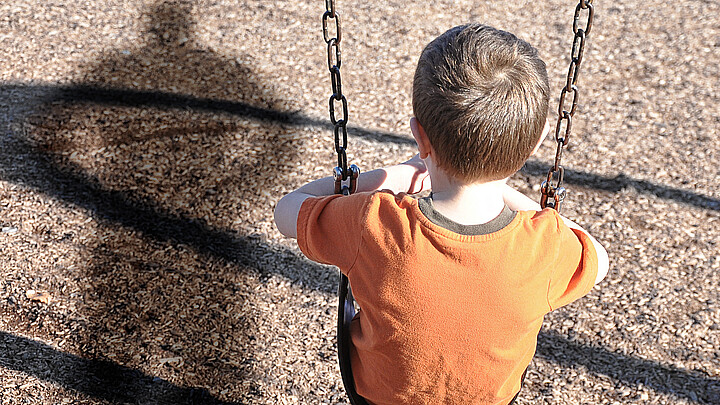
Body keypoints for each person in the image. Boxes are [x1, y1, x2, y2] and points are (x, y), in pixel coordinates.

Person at [274, 23, 609, 405]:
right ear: (538, 139)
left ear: (420, 137)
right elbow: (600, 261)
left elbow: (286, 211)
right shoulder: (544, 246)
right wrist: (510, 194)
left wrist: (389, 177)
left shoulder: (374, 223)